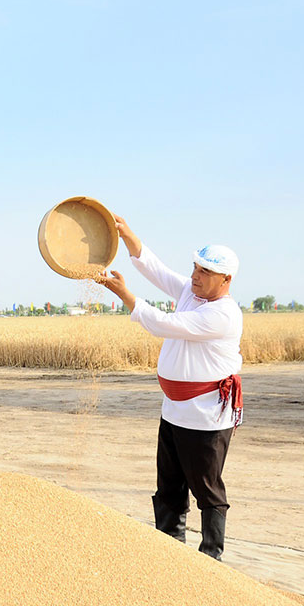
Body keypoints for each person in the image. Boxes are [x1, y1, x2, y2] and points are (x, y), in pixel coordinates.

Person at [99, 216, 243, 561]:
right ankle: (168, 555)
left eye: (205, 271)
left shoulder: (222, 313)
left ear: (226, 279)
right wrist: (129, 237)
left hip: (206, 415)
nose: (196, 275)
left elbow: (165, 324)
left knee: (207, 489)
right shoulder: (192, 293)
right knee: (169, 487)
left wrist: (126, 296)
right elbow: (158, 271)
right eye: (195, 267)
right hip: (174, 410)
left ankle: (211, 557)